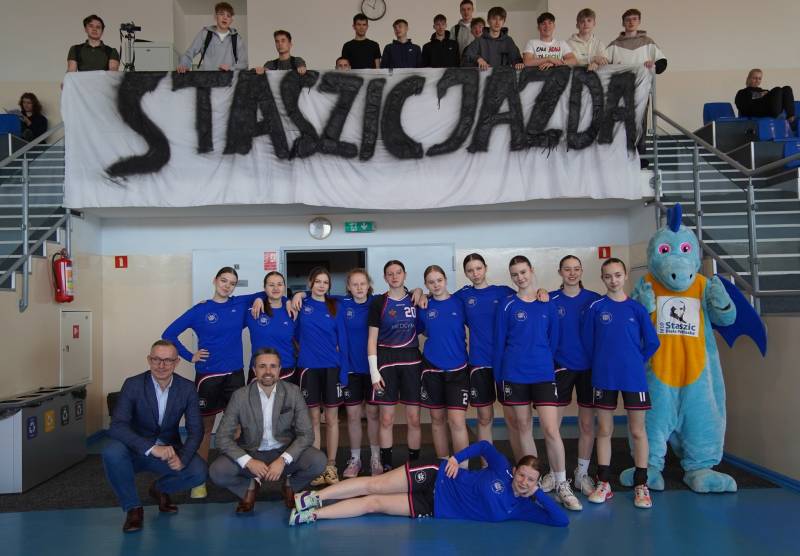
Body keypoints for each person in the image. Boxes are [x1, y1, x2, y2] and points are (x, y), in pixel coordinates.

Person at [289, 440, 569, 527]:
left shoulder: (523, 507)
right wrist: (457, 458)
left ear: (536, 483)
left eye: (530, 480)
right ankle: (312, 497)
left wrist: (539, 495)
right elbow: (484, 445)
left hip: (434, 506)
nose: (523, 482)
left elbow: (561, 521)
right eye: (522, 475)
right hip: (439, 475)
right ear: (515, 470)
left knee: (374, 504)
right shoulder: (503, 469)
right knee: (375, 485)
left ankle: (313, 514)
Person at [162, 266, 264, 498]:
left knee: (238, 427)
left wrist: (258, 300)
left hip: (234, 375)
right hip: (208, 376)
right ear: (215, 281)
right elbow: (169, 333)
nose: (227, 286)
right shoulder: (201, 310)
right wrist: (189, 355)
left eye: (232, 283)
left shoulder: (239, 304)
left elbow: (265, 293)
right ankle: (199, 480)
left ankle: (231, 472)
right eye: (224, 281)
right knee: (204, 428)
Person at [494, 256, 582, 511]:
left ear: (531, 271)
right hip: (514, 374)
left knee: (551, 429)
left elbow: (553, 339)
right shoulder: (507, 305)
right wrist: (499, 378)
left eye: (523, 272)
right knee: (523, 427)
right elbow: (499, 342)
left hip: (543, 373)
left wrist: (542, 359)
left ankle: (562, 484)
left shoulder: (547, 303)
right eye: (515, 274)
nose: (520, 278)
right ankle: (531, 483)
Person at [102, 340, 207, 533]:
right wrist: (151, 448)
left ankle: (159, 489)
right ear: (149, 360)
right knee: (111, 452)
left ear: (176, 362)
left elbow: (196, 430)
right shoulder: (133, 384)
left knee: (198, 472)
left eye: (168, 360)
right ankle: (133, 508)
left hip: (169, 450)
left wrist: (183, 458)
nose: (161, 365)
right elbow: (117, 426)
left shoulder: (187, 388)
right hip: (134, 450)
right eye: (156, 359)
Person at [582, 258, 660, 509]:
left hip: (633, 378)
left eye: (617, 275)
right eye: (608, 276)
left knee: (637, 431)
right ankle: (603, 482)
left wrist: (635, 361)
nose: (613, 280)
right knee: (605, 429)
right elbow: (588, 342)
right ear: (602, 279)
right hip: (604, 377)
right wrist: (603, 362)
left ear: (625, 276)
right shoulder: (596, 307)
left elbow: (652, 342)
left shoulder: (637, 309)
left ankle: (641, 484)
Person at [209, 348, 327, 514]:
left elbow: (306, 434)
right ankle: (249, 487)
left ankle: (290, 485)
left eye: (273, 366)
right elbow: (221, 438)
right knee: (217, 471)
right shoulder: (240, 396)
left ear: (279, 369)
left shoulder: (293, 392)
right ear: (254, 370)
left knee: (318, 461)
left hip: (284, 451)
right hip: (251, 451)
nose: (268, 372)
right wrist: (248, 461)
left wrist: (283, 460)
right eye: (262, 366)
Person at [537, 256, 601, 497]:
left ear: (582, 271)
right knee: (553, 427)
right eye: (567, 269)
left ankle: (582, 473)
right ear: (560, 272)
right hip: (560, 367)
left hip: (588, 368)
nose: (572, 273)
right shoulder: (550, 299)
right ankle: (555, 473)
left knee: (587, 424)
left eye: (576, 269)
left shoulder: (594, 300)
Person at [294, 267, 349, 486]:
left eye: (325, 282)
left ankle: (331, 466)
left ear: (329, 286)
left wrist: (343, 372)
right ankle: (317, 467)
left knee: (332, 419)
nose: (321, 285)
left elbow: (343, 341)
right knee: (314, 419)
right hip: (309, 368)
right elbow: (294, 335)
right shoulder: (301, 304)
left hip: (332, 368)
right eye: (317, 281)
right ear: (310, 283)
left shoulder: (336, 306)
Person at [368, 260, 423, 473]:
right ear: (385, 278)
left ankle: (414, 465)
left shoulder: (416, 299)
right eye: (390, 274)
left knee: (414, 418)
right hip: (386, 361)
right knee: (386, 418)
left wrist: (420, 291)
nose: (394, 277)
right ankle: (386, 465)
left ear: (405, 274)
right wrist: (374, 371)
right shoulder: (378, 302)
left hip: (411, 361)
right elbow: (372, 339)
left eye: (398, 272)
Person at [416, 266, 470, 464]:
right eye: (431, 282)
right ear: (426, 284)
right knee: (437, 420)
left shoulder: (459, 302)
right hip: (432, 369)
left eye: (439, 280)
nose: (436, 285)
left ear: (445, 280)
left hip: (458, 370)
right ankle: (443, 464)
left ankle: (462, 468)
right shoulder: (424, 306)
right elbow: (419, 331)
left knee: (457, 421)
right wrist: (418, 293)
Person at [606, 8, 666, 166]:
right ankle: (621, 156)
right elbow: (603, 63)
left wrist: (653, 64)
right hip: (619, 92)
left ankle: (640, 156)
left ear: (639, 22)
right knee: (619, 124)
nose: (631, 22)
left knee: (640, 122)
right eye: (628, 19)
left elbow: (662, 63)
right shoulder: (614, 45)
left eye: (634, 19)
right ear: (623, 23)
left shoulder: (648, 42)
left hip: (641, 91)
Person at [245, 271, 295, 382]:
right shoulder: (253, 311)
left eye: (279, 284)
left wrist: (289, 299)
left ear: (284, 287)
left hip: (286, 369)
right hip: (259, 369)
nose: (276, 288)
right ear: (264, 288)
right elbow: (228, 327)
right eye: (271, 285)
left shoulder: (292, 311)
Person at [177, 2, 248, 73]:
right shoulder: (205, 33)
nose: (225, 18)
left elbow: (244, 64)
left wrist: (231, 68)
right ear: (215, 17)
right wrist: (183, 65)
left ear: (231, 20)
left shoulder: (237, 39)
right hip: (208, 79)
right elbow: (190, 53)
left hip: (229, 79)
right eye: (221, 14)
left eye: (228, 16)